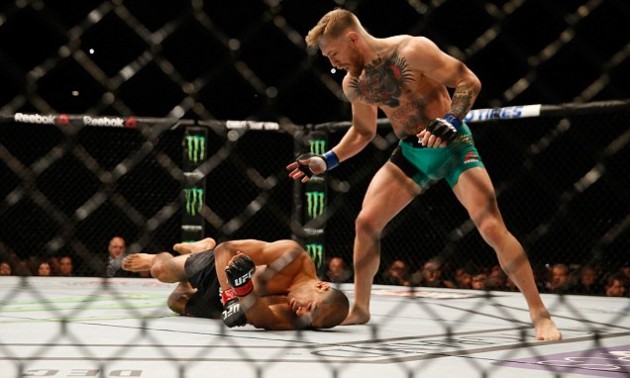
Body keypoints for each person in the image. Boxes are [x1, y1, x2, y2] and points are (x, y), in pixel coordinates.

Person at [287, 8, 562, 340]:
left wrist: (452, 120)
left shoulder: (411, 50)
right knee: (366, 222)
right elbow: (363, 132)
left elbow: (468, 81)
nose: (334, 64)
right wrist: (326, 161)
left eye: (334, 54)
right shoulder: (354, 83)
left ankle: (539, 312)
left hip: (453, 144)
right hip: (412, 153)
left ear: (352, 38)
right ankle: (360, 308)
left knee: (490, 226)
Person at [122, 237, 349, 330]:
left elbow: (264, 319)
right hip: (219, 271)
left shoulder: (298, 316)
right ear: (322, 287)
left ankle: (199, 248)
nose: (301, 312)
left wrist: (242, 291)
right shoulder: (292, 256)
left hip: (236, 301)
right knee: (162, 271)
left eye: (308, 318)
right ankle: (172, 254)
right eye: (310, 307)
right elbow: (227, 249)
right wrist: (231, 294)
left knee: (175, 302)